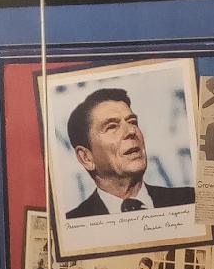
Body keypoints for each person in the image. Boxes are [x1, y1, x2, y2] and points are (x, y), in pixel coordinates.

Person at [64, 86, 194, 217]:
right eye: (112, 127)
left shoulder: (190, 200)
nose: (131, 131)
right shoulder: (73, 223)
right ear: (86, 158)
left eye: (132, 122)